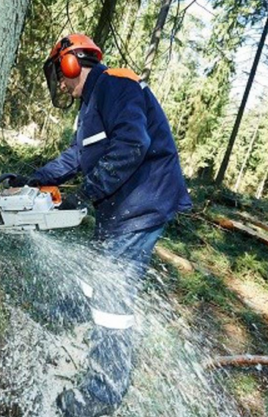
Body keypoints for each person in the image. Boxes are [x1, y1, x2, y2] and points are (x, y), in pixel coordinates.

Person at [10, 34, 192, 416]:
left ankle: (102, 392)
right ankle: (80, 325)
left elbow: (132, 144)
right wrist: (34, 178)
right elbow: (77, 156)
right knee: (98, 276)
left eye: (60, 73)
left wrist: (86, 192)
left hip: (142, 204)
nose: (59, 83)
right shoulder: (92, 106)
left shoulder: (116, 84)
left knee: (113, 296)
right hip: (121, 208)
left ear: (73, 63)